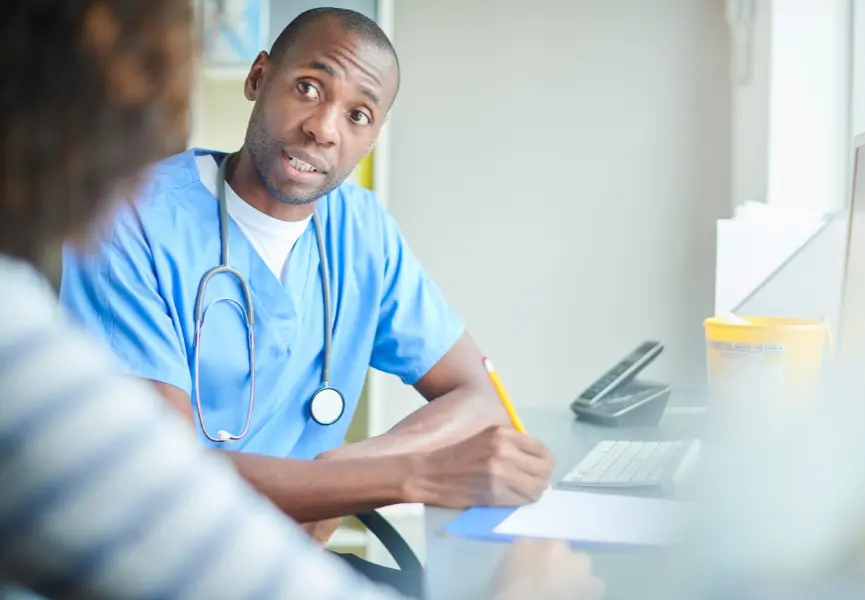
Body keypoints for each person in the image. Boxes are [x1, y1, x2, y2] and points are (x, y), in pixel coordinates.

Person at [0, 1, 608, 599]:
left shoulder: (361, 228)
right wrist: (404, 475)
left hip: (288, 553)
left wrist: (331, 478)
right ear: (258, 77)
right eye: (310, 88)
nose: (324, 128)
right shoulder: (132, 220)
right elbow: (165, 480)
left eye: (359, 114)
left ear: (372, 138)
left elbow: (477, 396)